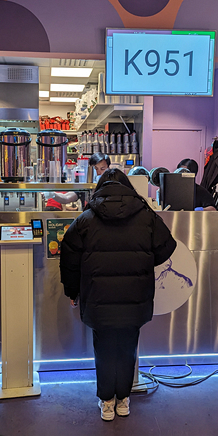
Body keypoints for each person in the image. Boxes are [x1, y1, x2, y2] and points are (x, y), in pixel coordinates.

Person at [59, 169, 177, 421]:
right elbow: (168, 246)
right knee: (128, 346)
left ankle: (107, 402)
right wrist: (144, 261)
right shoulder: (147, 216)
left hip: (98, 298)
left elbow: (69, 258)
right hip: (135, 297)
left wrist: (72, 291)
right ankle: (123, 399)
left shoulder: (85, 219)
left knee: (103, 349)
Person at [47, 152, 112, 210]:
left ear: (108, 168)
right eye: (95, 169)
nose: (98, 172)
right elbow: (66, 198)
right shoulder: (85, 186)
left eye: (102, 169)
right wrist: (52, 194)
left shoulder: (112, 185)